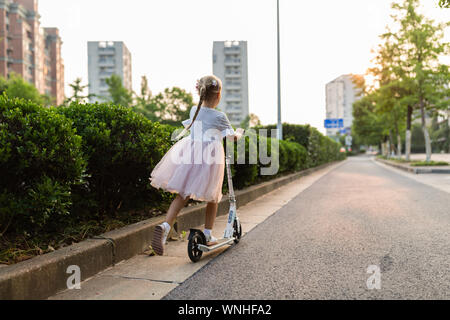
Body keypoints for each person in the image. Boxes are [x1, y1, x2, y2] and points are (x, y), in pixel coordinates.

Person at [149, 75, 244, 256]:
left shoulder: (195, 110)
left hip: (190, 156)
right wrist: (239, 133)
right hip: (210, 159)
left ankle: (165, 226)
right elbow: (231, 137)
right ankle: (208, 234)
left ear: (200, 92)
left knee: (182, 194)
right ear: (218, 96)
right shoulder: (220, 116)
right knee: (213, 197)